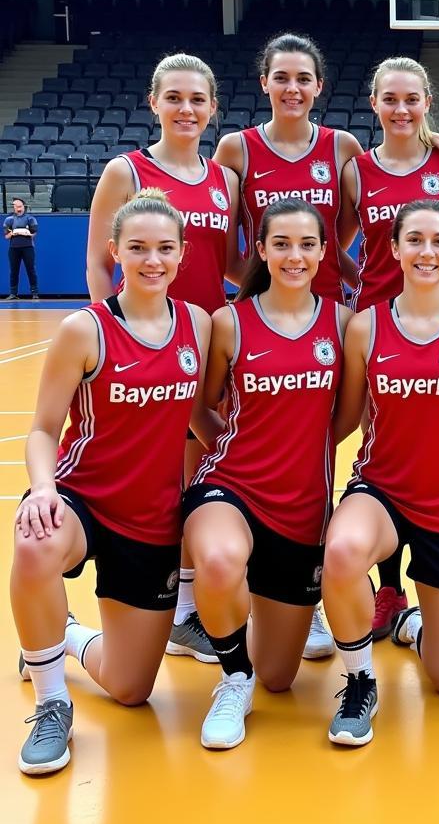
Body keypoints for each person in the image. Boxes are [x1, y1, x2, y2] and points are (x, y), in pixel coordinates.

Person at [216, 36, 439, 656]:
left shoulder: (407, 158)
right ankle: (270, 584)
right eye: (282, 77)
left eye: (413, 100)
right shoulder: (266, 153)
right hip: (340, 319)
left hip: (379, 318)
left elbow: (367, 236)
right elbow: (319, 238)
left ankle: (387, 587)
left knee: (402, 437)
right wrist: (343, 292)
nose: (294, 88)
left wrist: (358, 288)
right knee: (298, 441)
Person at [11, 191, 210, 775]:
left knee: (129, 689)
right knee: (35, 541)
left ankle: (66, 636)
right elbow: (45, 429)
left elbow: (200, 417)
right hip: (84, 497)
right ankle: (52, 703)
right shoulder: (85, 329)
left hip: (153, 519)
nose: (152, 260)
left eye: (165, 248)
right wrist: (44, 490)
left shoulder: (197, 324)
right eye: (139, 248)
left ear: (182, 254)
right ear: (114, 251)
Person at [321, 198, 439, 747]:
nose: (427, 252)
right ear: (396, 249)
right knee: (342, 552)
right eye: (415, 240)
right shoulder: (365, 327)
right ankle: (359, 681)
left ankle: (411, 623)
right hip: (380, 488)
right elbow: (348, 417)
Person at [87, 52, 240, 666]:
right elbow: (102, 262)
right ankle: (178, 612)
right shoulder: (128, 170)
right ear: (153, 102)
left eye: (197, 99)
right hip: (149, 345)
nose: (186, 108)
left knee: (207, 461)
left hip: (207, 342)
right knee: (165, 470)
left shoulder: (223, 178)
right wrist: (115, 334)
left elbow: (228, 264)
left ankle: (198, 595)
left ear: (212, 108)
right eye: (173, 97)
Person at [183, 198, 349, 749]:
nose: (294, 256)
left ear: (325, 252)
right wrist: (231, 451)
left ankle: (254, 623)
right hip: (231, 486)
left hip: (302, 508)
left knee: (280, 676)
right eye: (281, 243)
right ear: (260, 250)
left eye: (307, 244)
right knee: (219, 557)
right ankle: (233, 676)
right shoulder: (229, 323)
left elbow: (348, 413)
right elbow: (199, 405)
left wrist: (307, 447)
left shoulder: (342, 323)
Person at [337, 56, 439, 640]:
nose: (402, 109)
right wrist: (360, 282)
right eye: (390, 98)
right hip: (379, 324)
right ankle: (388, 587)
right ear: (374, 104)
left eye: (412, 99)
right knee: (381, 437)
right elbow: (338, 240)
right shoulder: (356, 170)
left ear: (427, 103)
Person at [4, 197, 39, 300]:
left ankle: (35, 292)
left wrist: (26, 233)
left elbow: (34, 233)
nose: (18, 209)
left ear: (24, 207)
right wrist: (13, 233)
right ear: (14, 208)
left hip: (28, 247)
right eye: (16, 206)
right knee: (14, 270)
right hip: (14, 248)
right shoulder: (9, 219)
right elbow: (6, 236)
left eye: (20, 206)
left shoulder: (30, 218)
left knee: (31, 269)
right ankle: (13, 293)